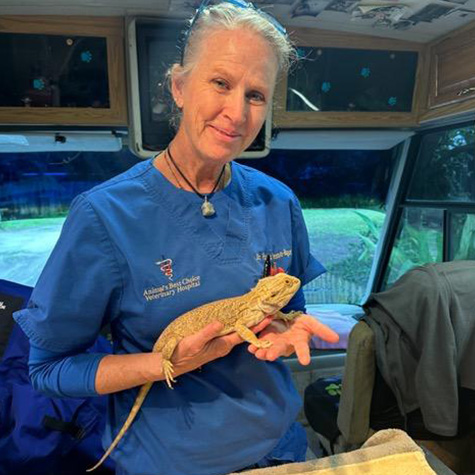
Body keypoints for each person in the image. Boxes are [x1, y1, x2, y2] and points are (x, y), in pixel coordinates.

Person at [13, 2, 339, 474]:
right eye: (221, 83)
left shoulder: (278, 200)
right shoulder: (103, 216)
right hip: (168, 459)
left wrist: (289, 330)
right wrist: (167, 363)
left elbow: (291, 309)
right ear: (180, 86)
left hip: (279, 447)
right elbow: (48, 370)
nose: (236, 112)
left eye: (255, 94)